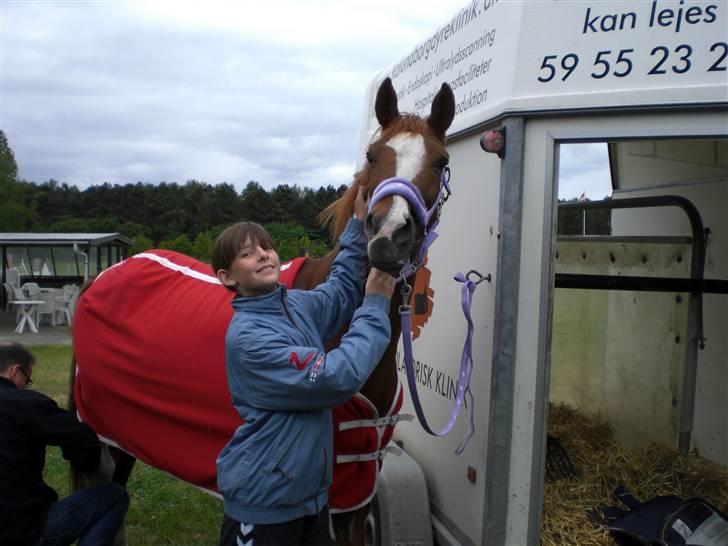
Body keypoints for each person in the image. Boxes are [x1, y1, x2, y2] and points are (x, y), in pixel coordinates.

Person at [213, 187, 396, 546]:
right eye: (248, 254)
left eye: (265, 247)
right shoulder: (250, 339)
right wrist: (375, 303)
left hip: (308, 499)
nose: (263, 256)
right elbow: (336, 377)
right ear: (227, 277)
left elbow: (341, 289)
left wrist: (358, 225)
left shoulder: (295, 306)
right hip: (264, 505)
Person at [0, 342, 129, 546]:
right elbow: (80, 437)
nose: (25, 386)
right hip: (23, 531)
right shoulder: (25, 403)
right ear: (15, 371)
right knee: (114, 497)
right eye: (27, 379)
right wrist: (86, 464)